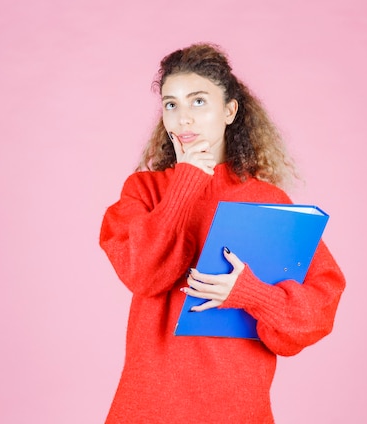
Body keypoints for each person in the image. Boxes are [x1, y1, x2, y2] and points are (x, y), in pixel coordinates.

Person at [99, 43, 345, 424]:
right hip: (150, 407)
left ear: (229, 111)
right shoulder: (143, 191)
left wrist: (251, 294)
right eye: (171, 104)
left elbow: (316, 314)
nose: (183, 119)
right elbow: (144, 274)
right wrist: (187, 182)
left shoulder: (267, 200)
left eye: (198, 102)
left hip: (235, 408)